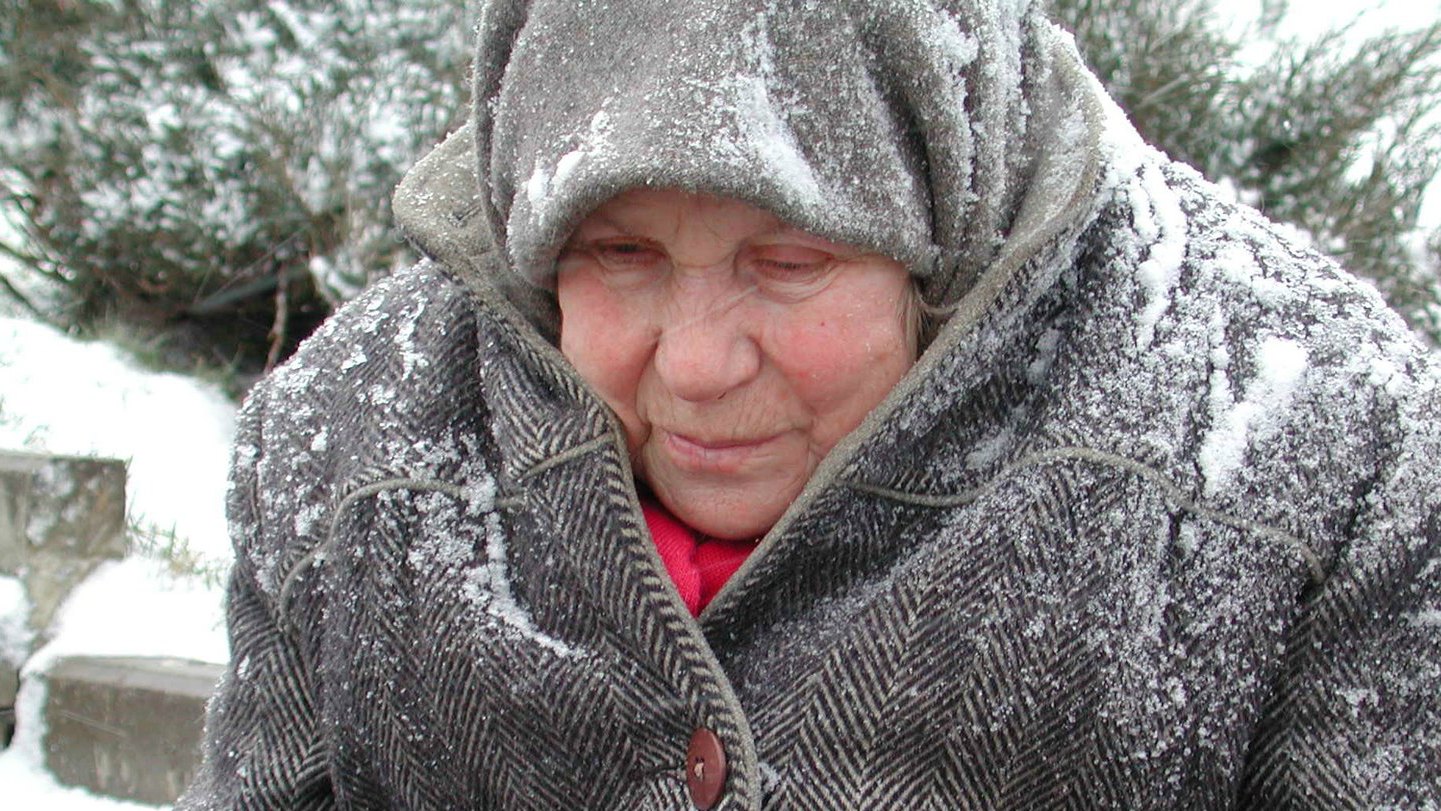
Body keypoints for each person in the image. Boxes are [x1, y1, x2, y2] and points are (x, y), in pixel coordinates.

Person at [179, 1, 1441, 808]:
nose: (698, 365)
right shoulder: (348, 428)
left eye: (789, 261)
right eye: (618, 255)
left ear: (946, 228)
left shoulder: (1325, 444)